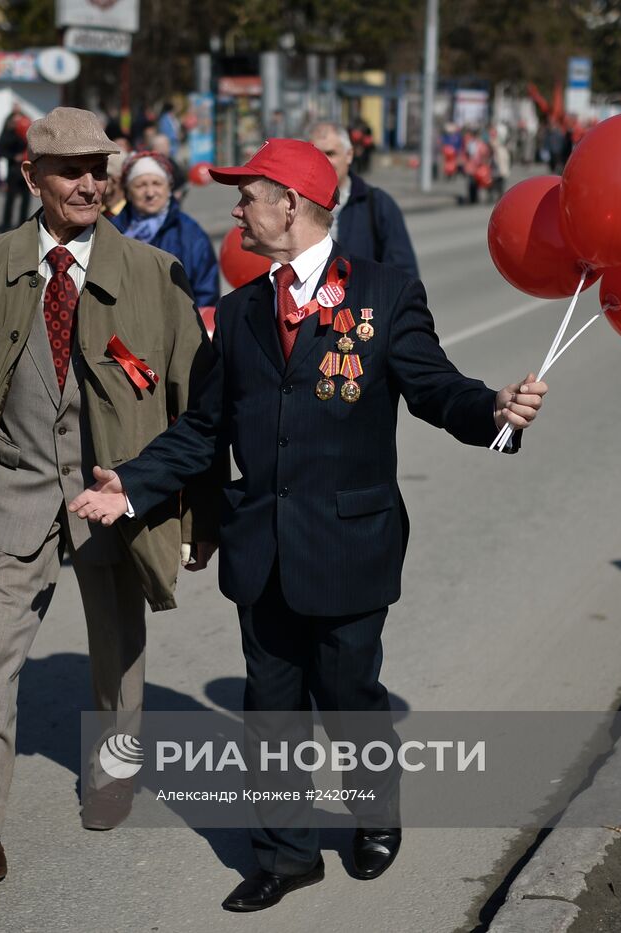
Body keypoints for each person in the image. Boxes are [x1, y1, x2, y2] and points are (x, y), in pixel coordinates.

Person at [68, 139, 548, 912]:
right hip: (262, 547)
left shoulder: (386, 292)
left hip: (350, 543)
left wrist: (493, 410)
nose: (235, 210)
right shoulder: (241, 310)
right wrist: (131, 484)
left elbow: (434, 388)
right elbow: (206, 428)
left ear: (289, 205)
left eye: (246, 196)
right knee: (271, 711)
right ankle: (286, 854)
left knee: (350, 697)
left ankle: (374, 813)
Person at [0, 106, 219, 892]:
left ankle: (112, 770)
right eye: (70, 170)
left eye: (99, 169)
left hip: (112, 492)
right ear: (31, 176)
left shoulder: (154, 273)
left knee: (117, 646)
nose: (89, 184)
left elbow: (195, 402)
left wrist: (198, 511)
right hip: (16, 483)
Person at [109, 150, 219, 307]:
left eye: (157, 183)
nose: (150, 193)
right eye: (140, 185)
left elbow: (206, 294)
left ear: (169, 188)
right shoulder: (112, 231)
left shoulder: (191, 234)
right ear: (128, 191)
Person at [309, 122, 419, 278]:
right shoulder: (293, 204)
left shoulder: (378, 204)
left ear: (349, 155)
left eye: (330, 153)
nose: (323, 161)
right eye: (315, 154)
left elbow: (404, 276)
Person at [0, 110, 31, 231]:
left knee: (26, 199)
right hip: (14, 171)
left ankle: (23, 225)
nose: (18, 122)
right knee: (10, 199)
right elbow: (1, 150)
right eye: (15, 120)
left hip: (27, 171)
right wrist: (13, 156)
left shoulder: (28, 133)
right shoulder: (8, 134)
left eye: (19, 119)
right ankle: (6, 226)